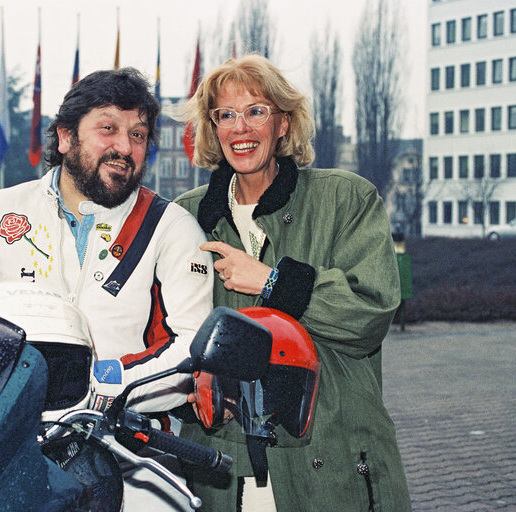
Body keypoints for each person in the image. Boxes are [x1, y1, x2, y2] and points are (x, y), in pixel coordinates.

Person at [0, 67, 213, 511]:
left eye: (138, 135)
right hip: (1, 445)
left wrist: (93, 391)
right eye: (108, 128)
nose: (125, 146)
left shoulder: (173, 229)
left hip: (128, 455)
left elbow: (191, 347)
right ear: (64, 138)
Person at [173, 54, 412, 511]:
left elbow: (370, 314)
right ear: (213, 128)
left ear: (283, 123)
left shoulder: (346, 198)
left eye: (256, 111)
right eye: (226, 114)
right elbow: (165, 335)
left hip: (327, 462)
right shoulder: (186, 216)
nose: (240, 128)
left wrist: (273, 281)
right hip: (224, 470)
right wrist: (195, 391)